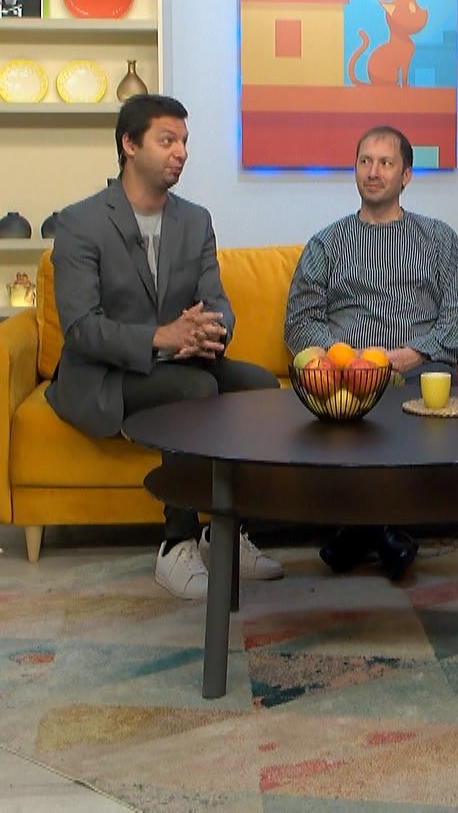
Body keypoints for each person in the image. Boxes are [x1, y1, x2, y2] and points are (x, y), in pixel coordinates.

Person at [46, 95, 282, 601]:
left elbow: (216, 301)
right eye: (167, 140)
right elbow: (81, 328)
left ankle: (227, 534)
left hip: (179, 361)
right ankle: (176, 544)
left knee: (261, 387)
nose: (181, 153)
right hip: (105, 375)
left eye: (184, 142)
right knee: (193, 391)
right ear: (129, 145)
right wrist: (162, 337)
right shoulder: (80, 222)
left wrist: (210, 332)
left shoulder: (194, 221)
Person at [285, 125, 458, 579]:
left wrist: (411, 354)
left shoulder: (438, 239)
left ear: (405, 175)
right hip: (344, 371)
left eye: (386, 163)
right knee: (345, 401)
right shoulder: (326, 244)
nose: (373, 172)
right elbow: (299, 322)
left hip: (419, 366)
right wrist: (345, 358)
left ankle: (356, 531)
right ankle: (383, 531)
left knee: (418, 395)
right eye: (365, 162)